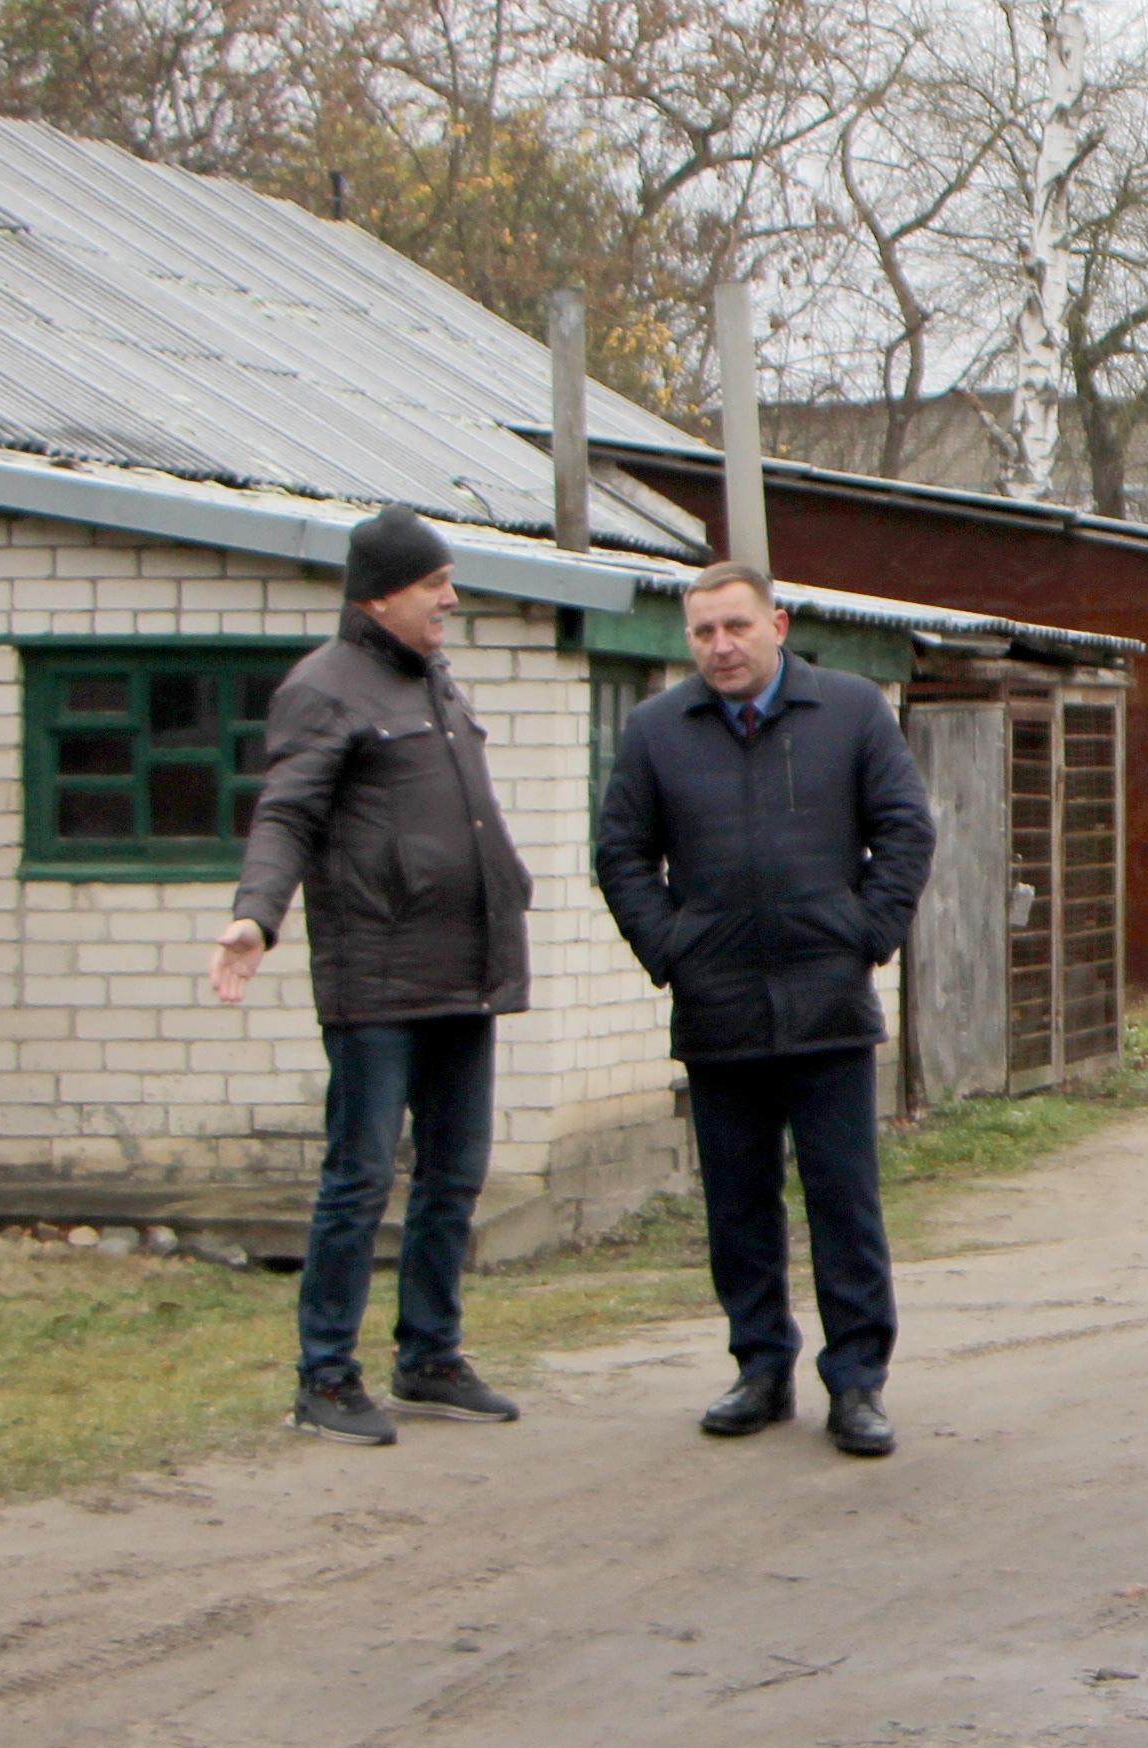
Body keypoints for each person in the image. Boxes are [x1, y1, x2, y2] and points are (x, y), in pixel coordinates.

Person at [592, 561, 933, 1457]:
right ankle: (760, 1367)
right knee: (738, 1203)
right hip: (720, 1010)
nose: (720, 647)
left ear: (777, 625)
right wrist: (673, 950)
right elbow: (622, 853)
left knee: (843, 1201)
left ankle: (857, 1383)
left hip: (827, 1006)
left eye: (736, 627)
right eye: (703, 632)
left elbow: (904, 826)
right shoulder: (657, 732)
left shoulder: (851, 712)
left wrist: (864, 932)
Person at [212, 506, 533, 1445]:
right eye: (436, 584)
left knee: (454, 1174)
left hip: (466, 968)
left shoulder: (432, 679)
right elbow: (287, 816)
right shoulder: (324, 687)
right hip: (379, 976)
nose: (452, 598)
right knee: (359, 1178)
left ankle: (429, 1355)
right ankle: (326, 1375)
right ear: (382, 594)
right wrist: (255, 914)